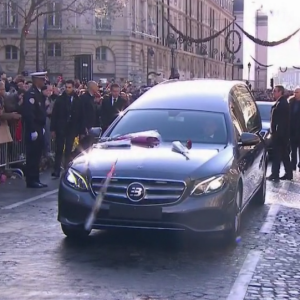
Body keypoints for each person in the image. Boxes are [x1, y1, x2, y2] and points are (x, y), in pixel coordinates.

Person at [50, 80, 84, 178]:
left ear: (73, 88)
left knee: (69, 149)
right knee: (59, 149)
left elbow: (81, 116)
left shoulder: (78, 100)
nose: (67, 89)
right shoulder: (60, 99)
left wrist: (81, 130)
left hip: (72, 128)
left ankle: (66, 169)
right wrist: (53, 129)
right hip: (61, 127)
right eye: (66, 87)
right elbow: (54, 115)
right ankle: (56, 170)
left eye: (69, 87)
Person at [21, 72, 47, 188]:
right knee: (32, 155)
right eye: (42, 79)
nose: (44, 81)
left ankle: (35, 178)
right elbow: (29, 113)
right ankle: (31, 180)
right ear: (36, 80)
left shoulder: (38, 93)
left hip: (39, 127)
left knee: (37, 155)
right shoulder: (31, 94)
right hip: (34, 127)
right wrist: (32, 129)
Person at [268, 85, 293, 181]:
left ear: (280, 92)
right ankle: (287, 173)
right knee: (283, 155)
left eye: (275, 91)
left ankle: (276, 174)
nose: (273, 93)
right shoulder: (280, 103)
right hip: (281, 135)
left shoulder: (282, 104)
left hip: (280, 135)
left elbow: (282, 122)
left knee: (278, 155)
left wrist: (277, 134)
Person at [80, 81, 98, 150]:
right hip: (86, 128)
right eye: (96, 86)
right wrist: (84, 128)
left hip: (92, 127)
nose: (97, 88)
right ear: (92, 87)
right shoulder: (84, 98)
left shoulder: (92, 98)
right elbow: (83, 113)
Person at [288, 87, 300, 170]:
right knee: (293, 149)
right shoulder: (291, 102)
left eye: (298, 92)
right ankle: (293, 165)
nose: (296, 94)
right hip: (292, 130)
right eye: (295, 92)